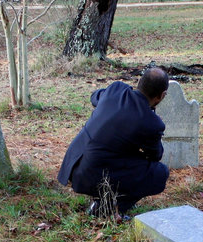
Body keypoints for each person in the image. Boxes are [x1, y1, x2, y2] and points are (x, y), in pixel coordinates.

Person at [57, 67, 170, 216]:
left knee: (120, 155)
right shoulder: (151, 123)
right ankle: (108, 206)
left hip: (73, 165)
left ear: (138, 82)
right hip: (95, 176)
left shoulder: (116, 89)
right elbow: (156, 155)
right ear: (162, 95)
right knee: (160, 173)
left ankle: (105, 198)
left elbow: (94, 97)